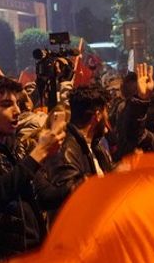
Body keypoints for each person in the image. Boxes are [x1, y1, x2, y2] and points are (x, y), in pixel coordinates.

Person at [0, 75, 63, 263]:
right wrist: (38, 153)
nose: (17, 111)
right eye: (6, 105)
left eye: (17, 103)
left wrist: (84, 184)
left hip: (31, 251)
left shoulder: (13, 144)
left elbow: (45, 194)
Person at [40, 86, 114, 218]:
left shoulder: (95, 147)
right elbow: (71, 204)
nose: (107, 117)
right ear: (97, 115)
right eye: (105, 111)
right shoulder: (66, 150)